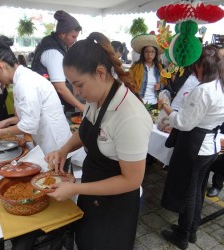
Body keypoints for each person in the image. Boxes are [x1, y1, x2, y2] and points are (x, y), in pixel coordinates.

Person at [45, 32, 153, 250]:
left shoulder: (130, 115)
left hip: (116, 204)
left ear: (101, 73)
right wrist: (64, 149)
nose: (76, 92)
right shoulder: (97, 98)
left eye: (79, 85)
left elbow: (131, 180)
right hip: (90, 188)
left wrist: (75, 189)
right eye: (71, 85)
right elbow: (86, 131)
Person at [158, 45, 224, 249]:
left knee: (188, 192)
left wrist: (166, 107)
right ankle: (192, 230)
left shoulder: (204, 90)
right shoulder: (220, 84)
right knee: (197, 190)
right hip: (209, 146)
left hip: (196, 145)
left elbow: (184, 123)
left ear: (202, 66)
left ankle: (183, 235)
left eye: (195, 67)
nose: (193, 71)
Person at [0, 35, 72, 155]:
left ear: (0, 65)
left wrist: (1, 132)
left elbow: (29, 124)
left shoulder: (26, 83)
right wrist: (8, 121)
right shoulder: (21, 78)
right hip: (48, 142)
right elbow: (33, 113)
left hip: (56, 145)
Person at [31, 10, 85, 114]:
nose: (75, 40)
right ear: (62, 34)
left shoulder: (50, 42)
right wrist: (81, 106)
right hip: (49, 105)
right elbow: (60, 88)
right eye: (73, 37)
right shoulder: (54, 52)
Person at [129, 34, 166, 110]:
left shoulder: (159, 68)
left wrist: (160, 86)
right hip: (138, 102)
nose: (149, 55)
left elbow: (164, 83)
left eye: (153, 52)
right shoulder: (135, 67)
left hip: (155, 103)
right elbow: (129, 83)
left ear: (156, 54)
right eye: (147, 52)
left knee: (152, 121)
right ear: (143, 53)